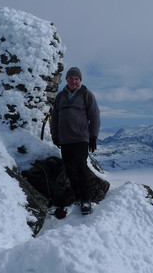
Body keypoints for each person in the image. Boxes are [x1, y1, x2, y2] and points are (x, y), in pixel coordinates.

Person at [50, 67, 101, 215]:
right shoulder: (60, 97)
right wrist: (55, 135)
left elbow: (95, 116)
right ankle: (76, 195)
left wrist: (93, 137)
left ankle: (86, 199)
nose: (74, 81)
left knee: (81, 167)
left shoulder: (86, 95)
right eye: (71, 78)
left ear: (80, 80)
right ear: (66, 79)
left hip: (80, 138)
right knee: (69, 168)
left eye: (76, 78)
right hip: (65, 140)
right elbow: (55, 118)